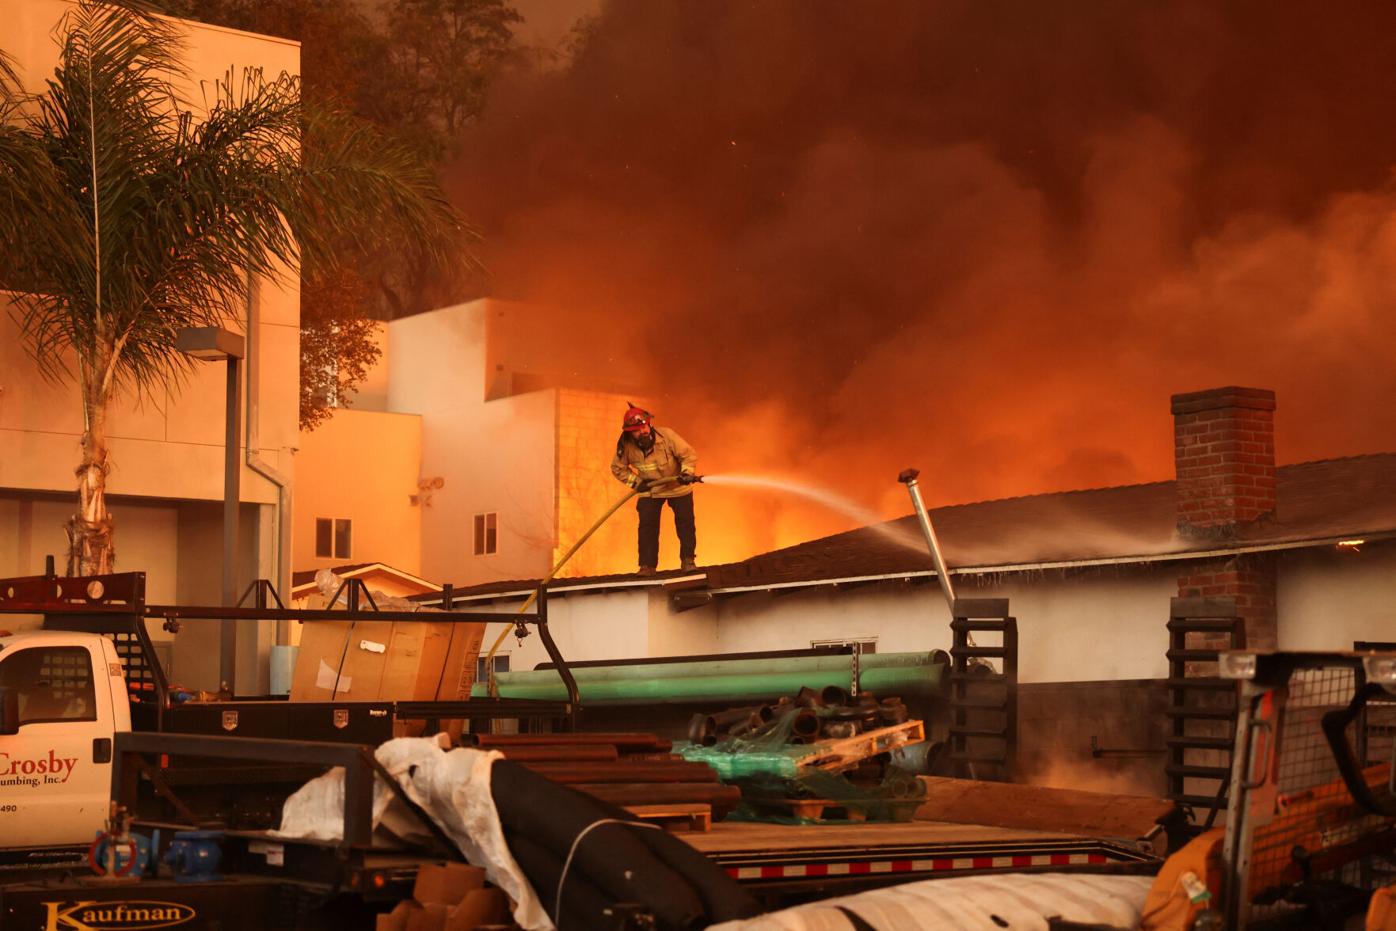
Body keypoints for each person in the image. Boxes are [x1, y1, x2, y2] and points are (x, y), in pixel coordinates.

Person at [611, 405, 699, 574]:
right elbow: (617, 468)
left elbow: (688, 454)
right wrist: (637, 483)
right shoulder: (626, 446)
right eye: (637, 430)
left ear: (649, 425)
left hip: (677, 486)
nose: (642, 431)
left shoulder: (666, 436)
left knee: (685, 523)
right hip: (649, 490)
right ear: (630, 432)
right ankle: (647, 566)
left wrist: (686, 473)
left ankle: (688, 560)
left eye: (644, 427)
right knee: (647, 527)